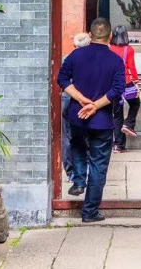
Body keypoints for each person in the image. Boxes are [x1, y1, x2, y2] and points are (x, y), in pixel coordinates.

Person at [57, 17, 125, 223]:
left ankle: (78, 180)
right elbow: (117, 89)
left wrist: (80, 99)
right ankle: (90, 212)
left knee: (77, 146)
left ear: (90, 34)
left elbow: (61, 78)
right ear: (110, 36)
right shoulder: (115, 60)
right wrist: (95, 105)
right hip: (102, 120)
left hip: (77, 116)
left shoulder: (76, 55)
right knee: (98, 165)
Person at [61, 32, 91, 183]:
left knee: (67, 134)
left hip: (67, 99)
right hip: (87, 100)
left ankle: (71, 171)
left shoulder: (66, 58)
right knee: (87, 133)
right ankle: (85, 168)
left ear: (74, 45)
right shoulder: (92, 60)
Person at [109, 25, 141, 153]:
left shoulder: (109, 49)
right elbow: (131, 68)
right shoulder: (129, 49)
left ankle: (118, 145)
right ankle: (128, 124)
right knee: (135, 104)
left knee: (117, 115)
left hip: (113, 84)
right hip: (127, 82)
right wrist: (137, 85)